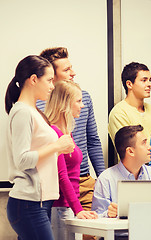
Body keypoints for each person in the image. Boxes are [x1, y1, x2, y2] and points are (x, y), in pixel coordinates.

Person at [5, 55, 75, 240]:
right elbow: (22, 160)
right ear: (34, 79)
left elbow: (39, 152)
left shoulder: (34, 112)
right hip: (28, 203)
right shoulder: (22, 112)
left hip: (39, 202)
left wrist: (58, 149)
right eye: (49, 80)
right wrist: (56, 146)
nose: (53, 86)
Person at [37, 47, 105, 212]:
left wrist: (103, 180)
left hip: (84, 179)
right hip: (58, 185)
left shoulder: (84, 98)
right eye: (67, 69)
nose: (73, 73)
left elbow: (93, 141)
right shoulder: (38, 104)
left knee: (94, 233)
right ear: (51, 75)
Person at [45, 80, 98, 240]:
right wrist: (78, 209)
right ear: (65, 103)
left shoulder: (67, 132)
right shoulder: (54, 133)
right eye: (79, 101)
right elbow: (62, 176)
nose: (82, 105)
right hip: (60, 207)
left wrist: (78, 208)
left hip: (70, 205)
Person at [92, 125, 151, 218]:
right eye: (144, 143)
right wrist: (108, 214)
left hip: (150, 230)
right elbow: (96, 218)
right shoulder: (106, 179)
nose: (150, 147)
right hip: (119, 232)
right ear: (130, 151)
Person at [108, 62, 151, 145]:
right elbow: (130, 148)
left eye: (150, 80)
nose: (149, 84)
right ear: (129, 84)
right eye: (144, 80)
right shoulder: (119, 113)